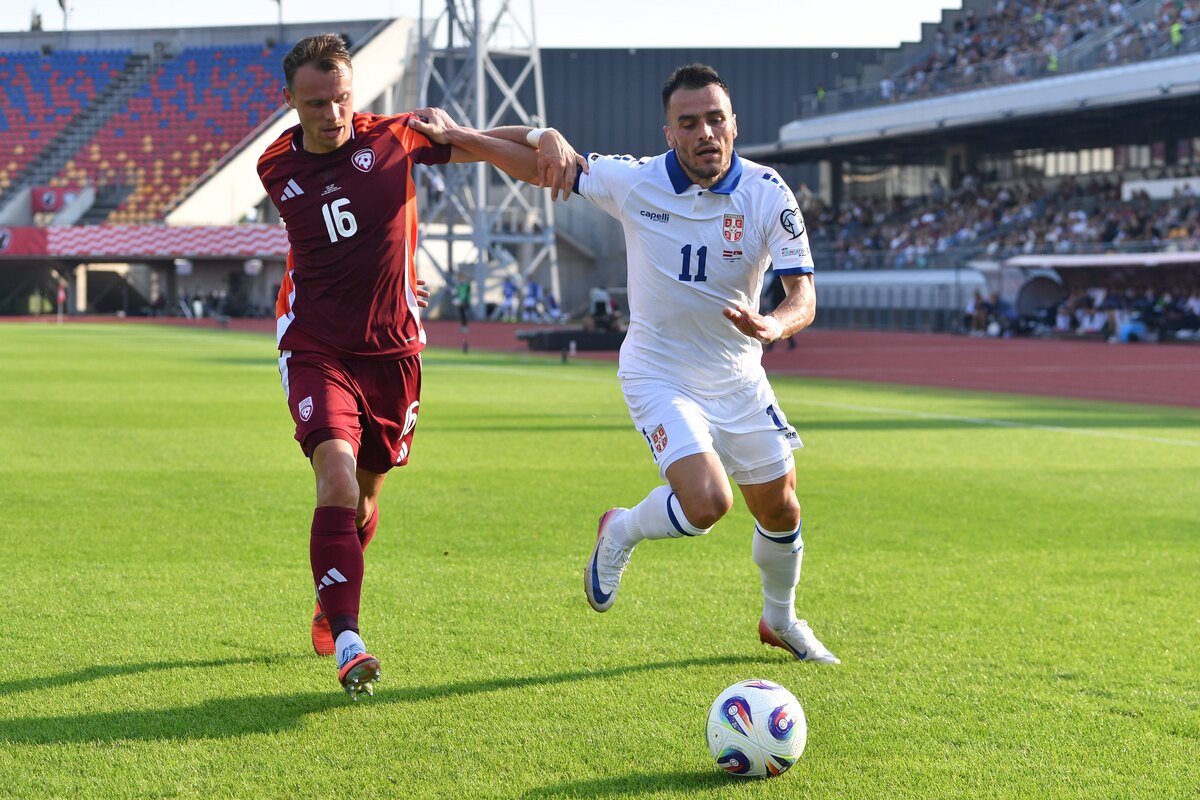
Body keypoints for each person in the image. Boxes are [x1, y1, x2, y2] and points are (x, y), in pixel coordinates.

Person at [256, 33, 579, 699]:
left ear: (355, 93)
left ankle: (331, 591)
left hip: (394, 354)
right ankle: (348, 636)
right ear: (289, 101)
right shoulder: (272, 167)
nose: (332, 114)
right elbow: (313, 247)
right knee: (336, 480)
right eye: (315, 103)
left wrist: (544, 131)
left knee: (366, 499)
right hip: (316, 346)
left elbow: (496, 147)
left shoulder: (398, 138)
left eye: (342, 98)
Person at [574, 64, 839, 664]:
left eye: (715, 119)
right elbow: (553, 164)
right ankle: (620, 529)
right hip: (658, 372)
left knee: (781, 507)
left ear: (733, 124)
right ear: (669, 132)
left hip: (739, 376)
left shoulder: (769, 192)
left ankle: (781, 620)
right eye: (688, 123)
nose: (704, 132)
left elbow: (804, 295)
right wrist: (464, 140)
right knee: (707, 504)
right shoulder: (635, 181)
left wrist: (775, 324)